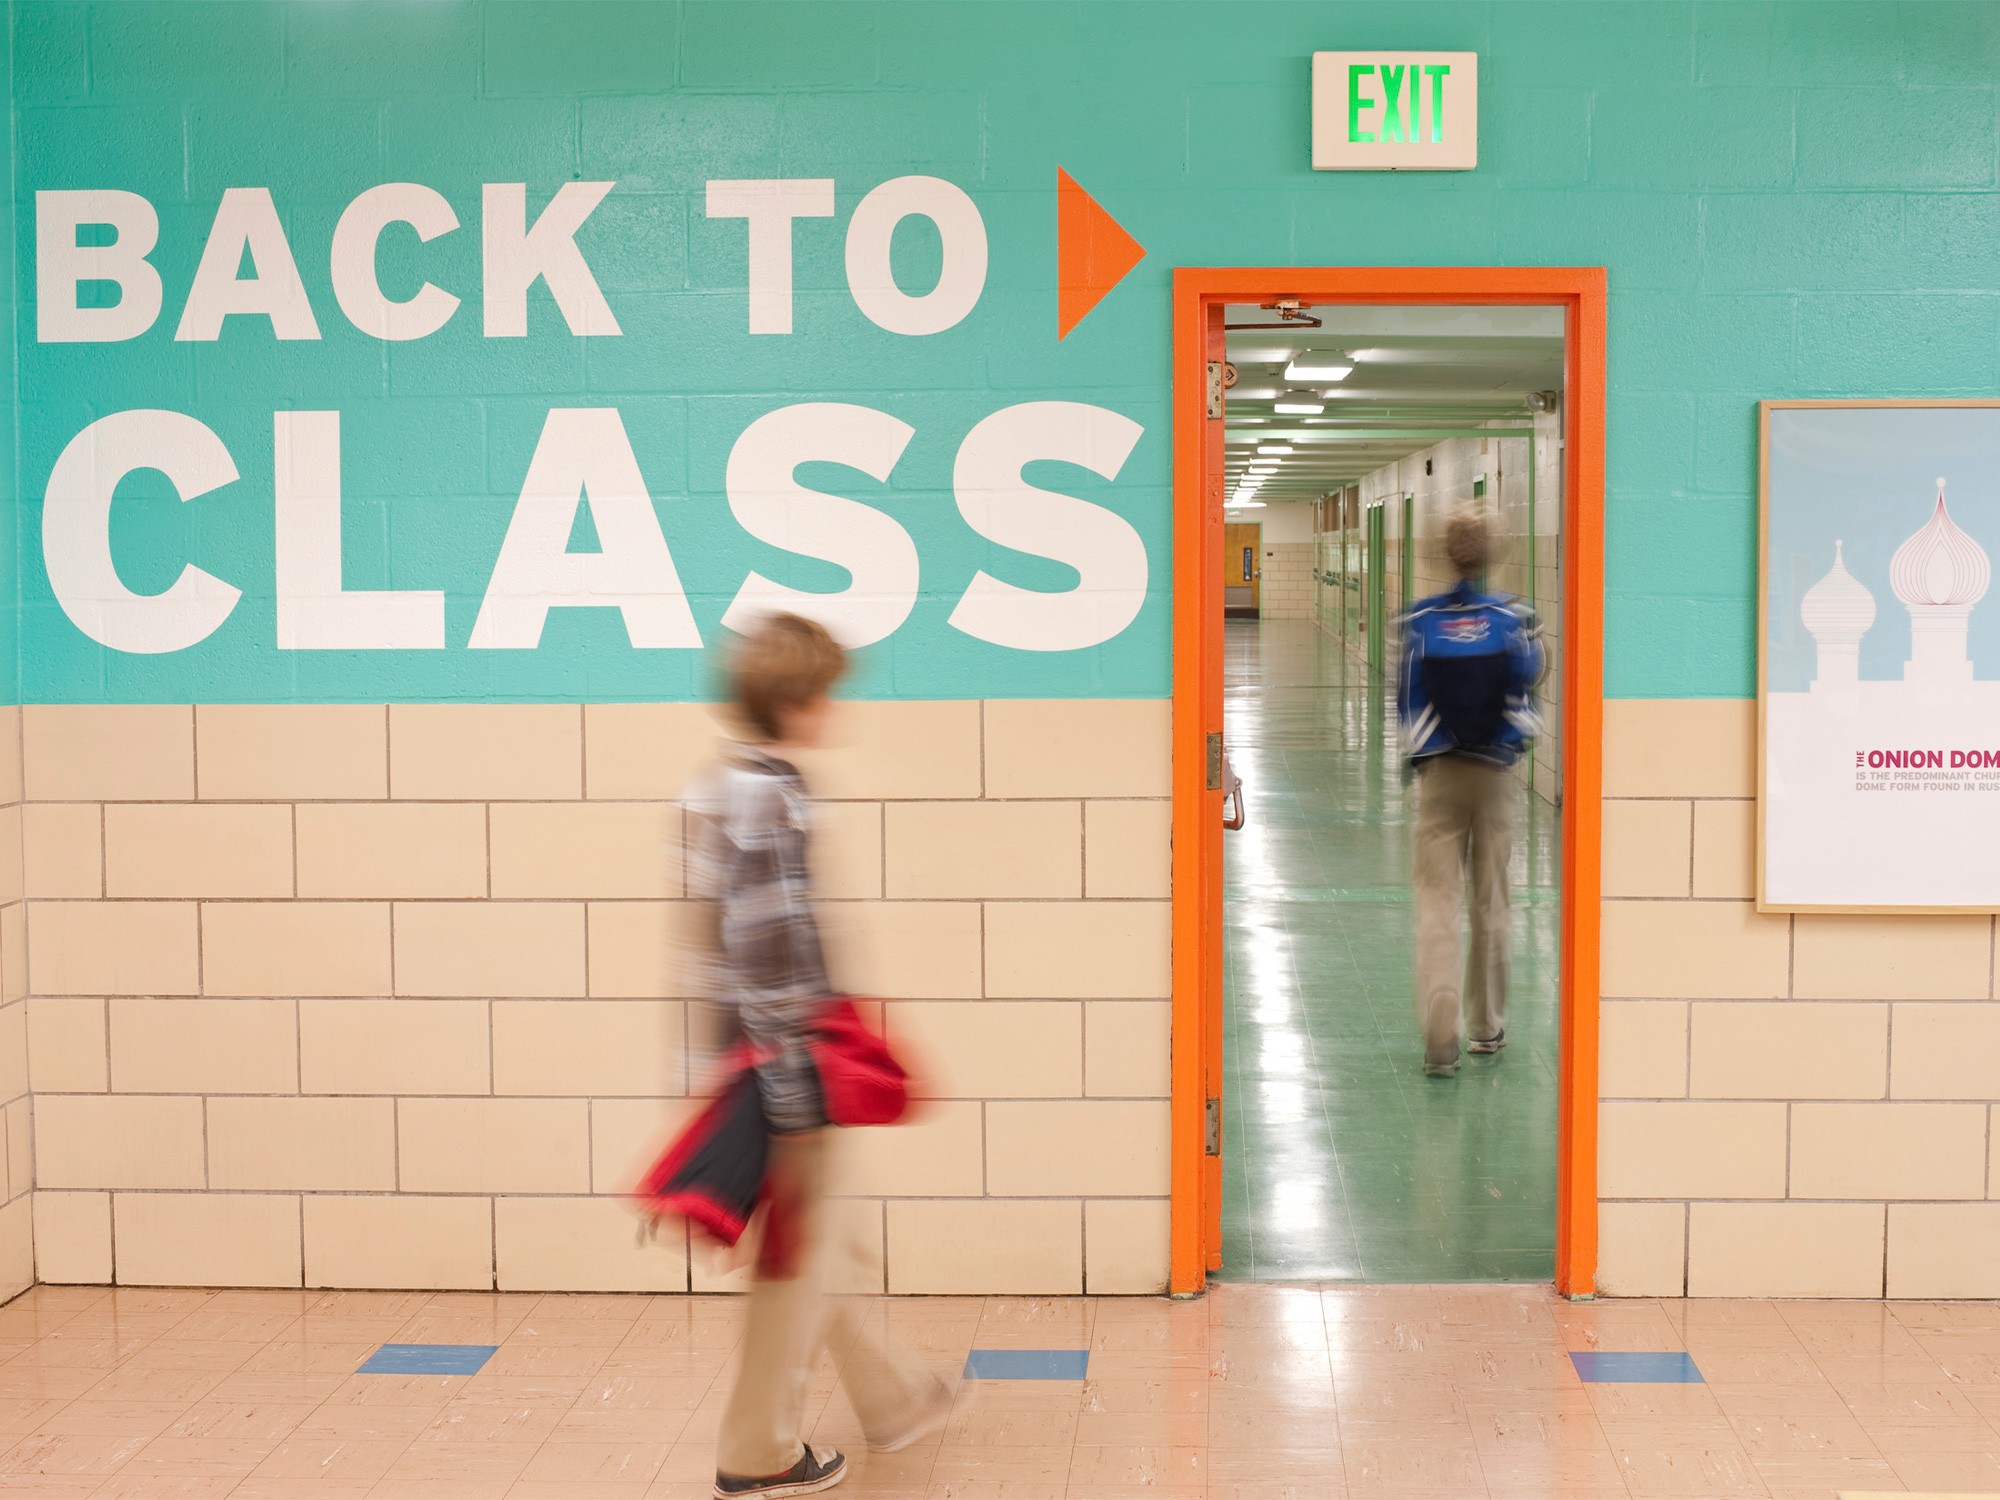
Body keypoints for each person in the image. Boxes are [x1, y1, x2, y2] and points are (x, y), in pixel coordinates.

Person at [684, 612, 949, 1499]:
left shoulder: (718, 784)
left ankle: (897, 1399)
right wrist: (794, 1099)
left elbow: (713, 951)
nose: (835, 706)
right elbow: (769, 955)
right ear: (796, 698)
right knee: (798, 1259)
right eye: (828, 689)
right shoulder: (773, 794)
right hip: (784, 1065)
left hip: (745, 1056)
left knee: (826, 1244)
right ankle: (756, 1452)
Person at [1396, 507, 1543, 1079]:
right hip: (1494, 778)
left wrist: (1427, 758)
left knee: (1438, 901)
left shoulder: (1421, 621)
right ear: (1492, 553)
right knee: (1492, 900)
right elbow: (1525, 701)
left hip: (1441, 778)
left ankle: (1440, 1027)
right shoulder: (1514, 620)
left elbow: (1408, 701)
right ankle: (1487, 1026)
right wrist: (1505, 746)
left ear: (1445, 554)